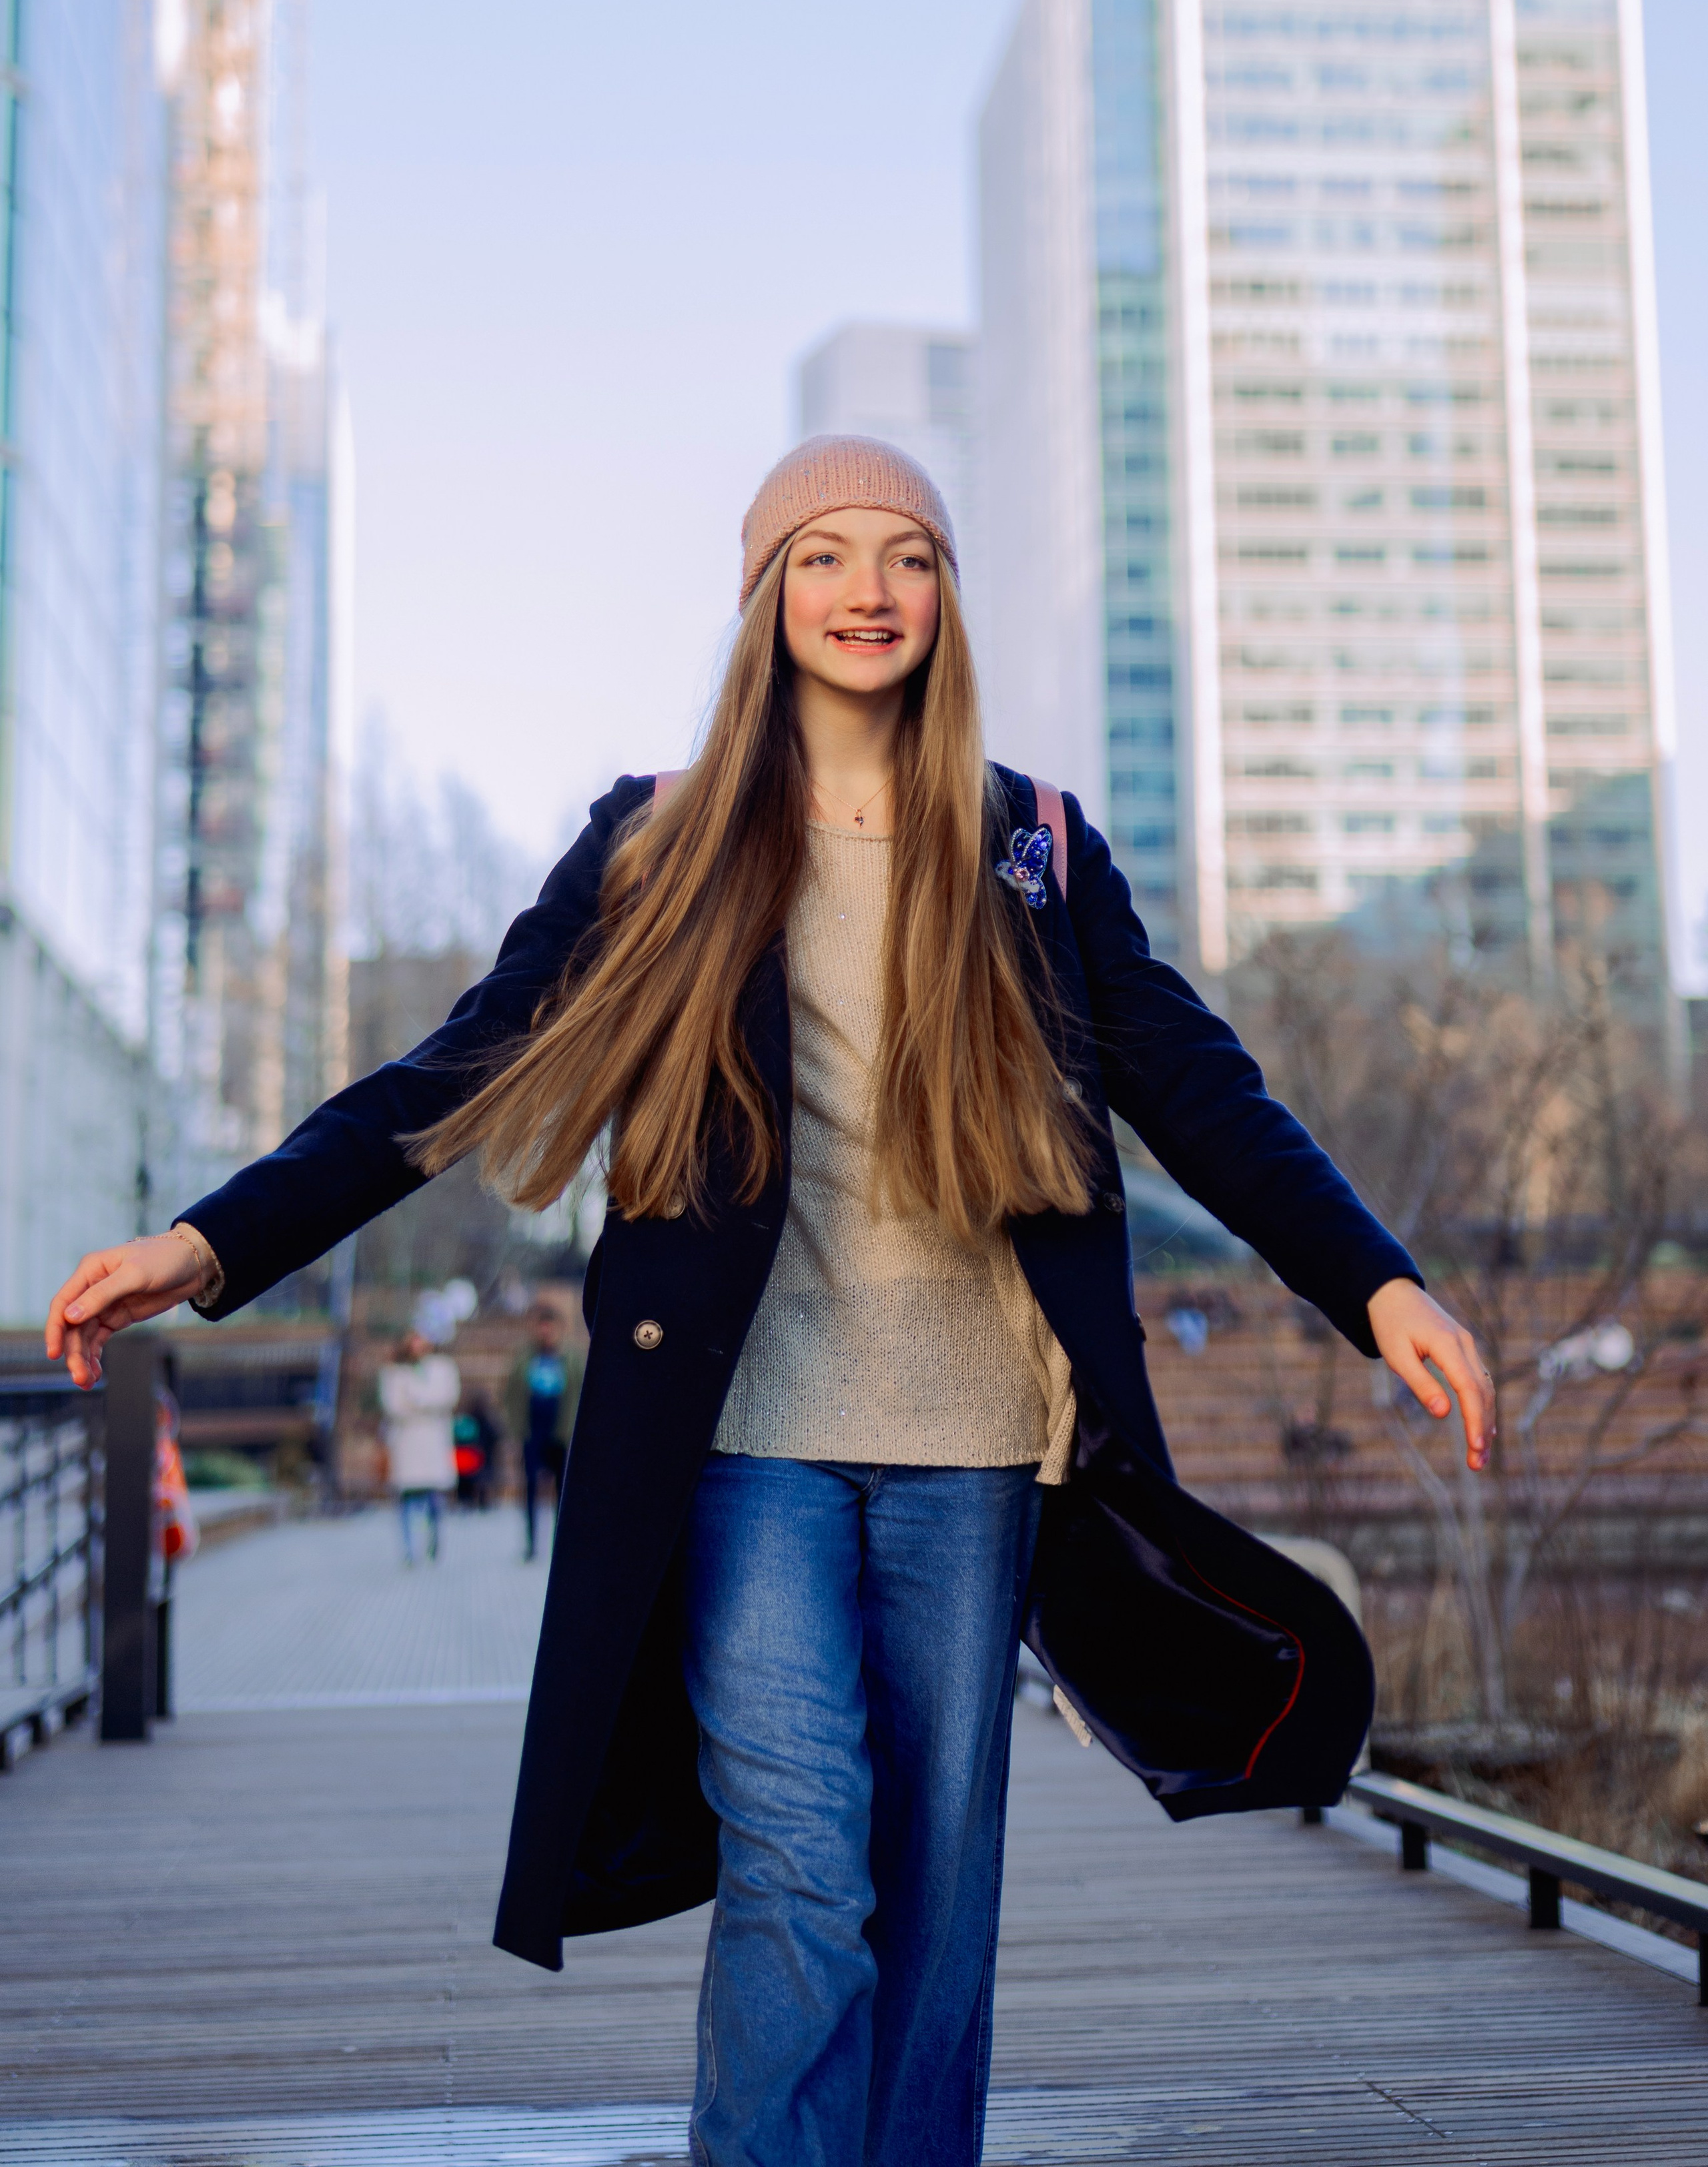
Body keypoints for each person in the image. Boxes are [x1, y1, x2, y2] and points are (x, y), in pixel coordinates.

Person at [46, 436, 1495, 2167]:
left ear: (943, 596)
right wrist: (210, 1246)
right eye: (823, 555)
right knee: (804, 1857)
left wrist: (1375, 1283)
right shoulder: (659, 843)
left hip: (974, 1442)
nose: (867, 589)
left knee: (935, 1880)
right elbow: (456, 1072)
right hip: (747, 1439)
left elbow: (1203, 1092)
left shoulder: (1030, 847)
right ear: (765, 596)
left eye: (907, 556)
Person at [505, 1304, 582, 1559]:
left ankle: (559, 1544)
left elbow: (581, 1392)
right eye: (542, 1327)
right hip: (532, 1430)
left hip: (561, 1431)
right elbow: (511, 1394)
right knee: (530, 1486)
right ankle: (531, 1543)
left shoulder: (570, 1357)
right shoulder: (525, 1357)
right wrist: (516, 1429)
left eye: (550, 1328)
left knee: (563, 1490)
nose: (546, 1333)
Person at [378, 1328, 460, 1563]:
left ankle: (434, 1545)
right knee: (407, 1499)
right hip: (407, 1444)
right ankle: (409, 1550)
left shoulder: (443, 1367)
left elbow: (447, 1398)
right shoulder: (394, 1372)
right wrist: (425, 1403)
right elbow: (394, 1406)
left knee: (434, 1499)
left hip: (433, 1442)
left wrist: (416, 1400)